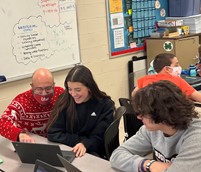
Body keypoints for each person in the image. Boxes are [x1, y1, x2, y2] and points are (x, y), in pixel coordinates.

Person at [110, 80, 201, 172]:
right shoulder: (151, 130)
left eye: (143, 112)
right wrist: (149, 164)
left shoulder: (196, 138)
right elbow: (116, 155)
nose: (138, 117)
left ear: (162, 113)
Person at [46, 65, 115, 158]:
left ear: (89, 87)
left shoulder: (104, 105)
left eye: (78, 90)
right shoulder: (65, 100)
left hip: (93, 153)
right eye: (70, 89)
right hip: (70, 150)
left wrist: (85, 144)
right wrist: (80, 142)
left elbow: (100, 137)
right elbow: (53, 133)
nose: (73, 94)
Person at [0, 68, 64, 143]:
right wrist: (19, 134)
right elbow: (2, 123)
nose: (44, 93)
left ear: (53, 85)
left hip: (57, 141)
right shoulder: (22, 101)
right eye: (39, 89)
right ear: (32, 87)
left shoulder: (60, 94)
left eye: (48, 88)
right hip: (32, 143)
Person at [132, 53, 201, 102]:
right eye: (176, 65)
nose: (179, 67)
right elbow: (199, 98)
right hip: (173, 118)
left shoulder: (146, 79)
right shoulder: (177, 81)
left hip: (151, 118)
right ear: (167, 69)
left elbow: (134, 94)